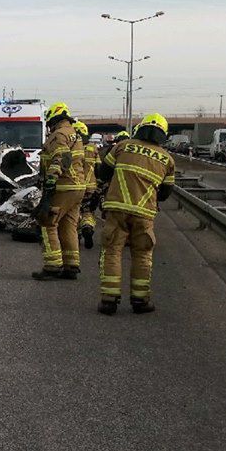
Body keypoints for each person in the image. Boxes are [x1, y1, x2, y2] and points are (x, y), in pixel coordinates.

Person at [97, 113, 175, 315]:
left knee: (112, 251)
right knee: (142, 254)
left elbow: (103, 173)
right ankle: (140, 301)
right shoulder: (167, 159)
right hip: (144, 213)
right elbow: (165, 193)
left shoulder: (122, 147)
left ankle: (109, 300)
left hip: (117, 209)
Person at [32, 102, 86, 281]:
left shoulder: (59, 134)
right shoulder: (74, 134)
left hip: (63, 186)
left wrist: (50, 181)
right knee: (68, 225)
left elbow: (61, 157)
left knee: (48, 221)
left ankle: (52, 265)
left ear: (54, 118)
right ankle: (71, 265)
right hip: (77, 187)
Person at [73, 120, 99, 249]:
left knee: (75, 211)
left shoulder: (71, 148)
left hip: (75, 185)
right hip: (91, 186)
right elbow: (99, 168)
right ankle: (87, 226)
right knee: (88, 211)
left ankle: (76, 235)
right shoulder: (93, 148)